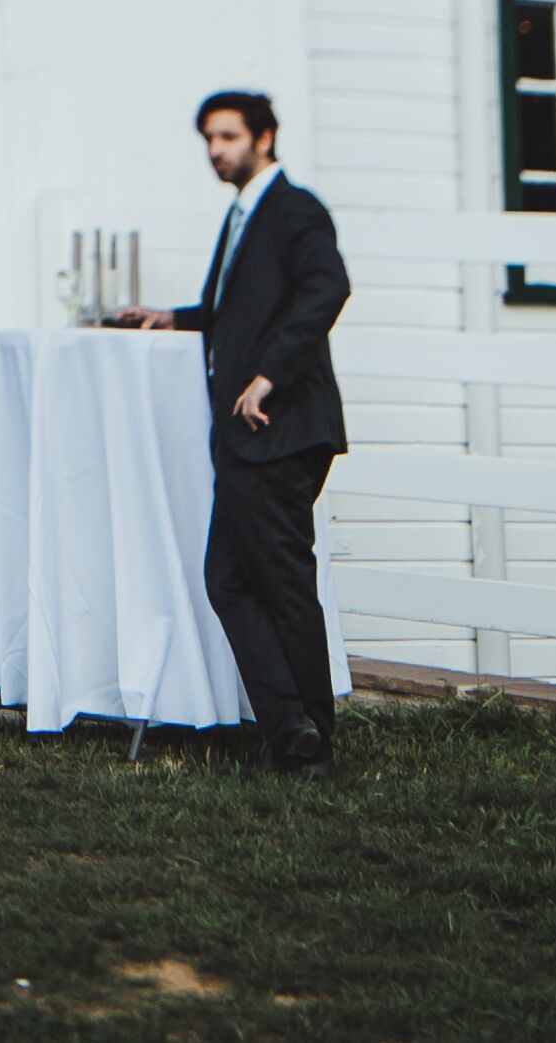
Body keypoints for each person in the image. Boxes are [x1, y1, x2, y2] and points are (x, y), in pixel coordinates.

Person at [116, 87, 352, 773]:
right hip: (249, 434)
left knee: (276, 584)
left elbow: (325, 288)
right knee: (229, 579)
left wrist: (267, 376)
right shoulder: (244, 213)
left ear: (263, 137)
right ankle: (290, 726)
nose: (215, 151)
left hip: (277, 427)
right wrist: (178, 315)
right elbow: (242, 310)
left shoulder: (294, 209)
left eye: (226, 137)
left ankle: (311, 743)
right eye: (209, 140)